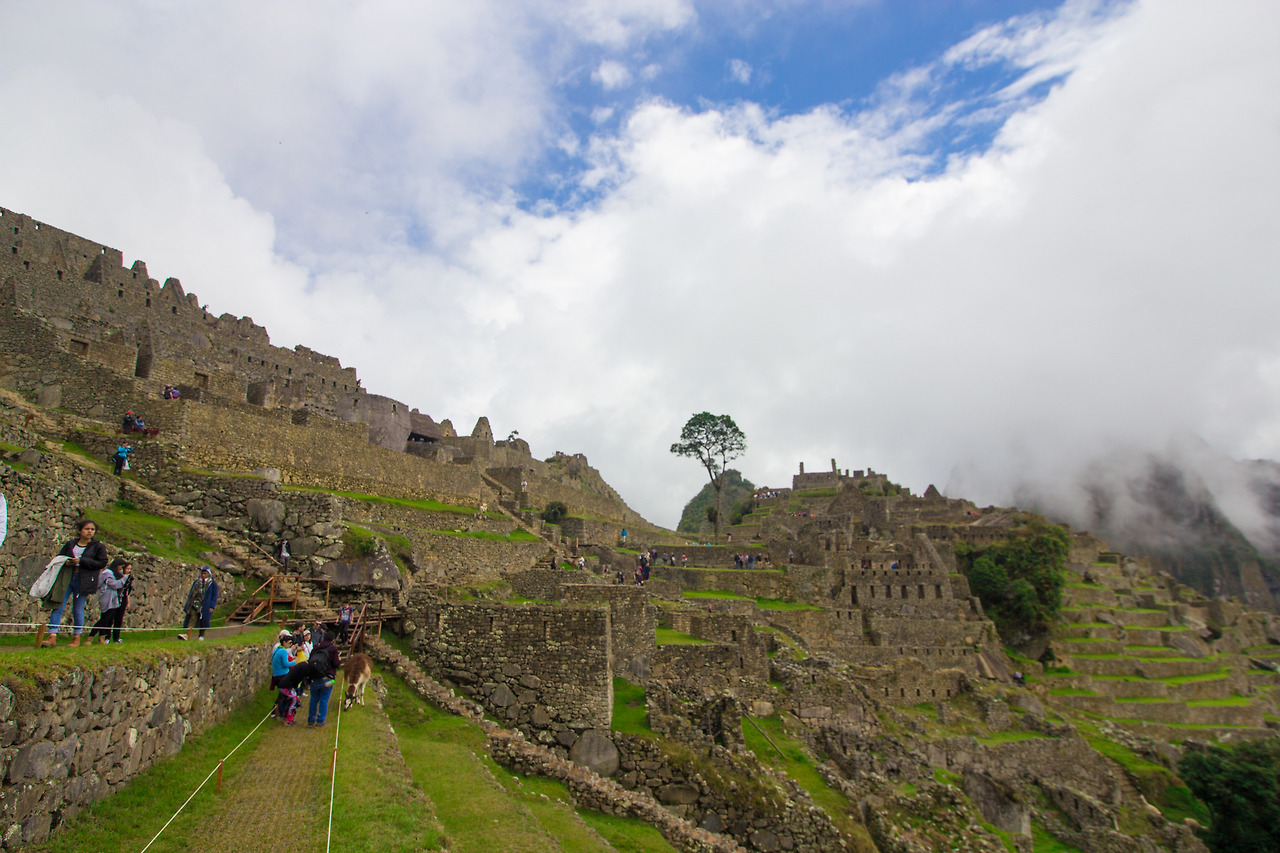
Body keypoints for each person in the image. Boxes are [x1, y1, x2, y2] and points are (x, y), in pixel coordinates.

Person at [41, 520, 109, 647]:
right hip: (67, 577)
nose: (89, 531)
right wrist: (66, 562)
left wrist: (82, 561)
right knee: (58, 605)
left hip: (83, 579)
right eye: (87, 529)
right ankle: (52, 636)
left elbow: (102, 562)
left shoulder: (97, 546)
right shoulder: (70, 544)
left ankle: (76, 637)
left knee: (78, 608)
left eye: (92, 529)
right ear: (80, 531)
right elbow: (59, 557)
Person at [89, 558, 131, 644]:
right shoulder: (107, 573)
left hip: (113, 599)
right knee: (105, 618)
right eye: (120, 567)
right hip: (107, 598)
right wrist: (124, 578)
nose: (121, 569)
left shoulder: (115, 574)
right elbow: (115, 585)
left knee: (108, 619)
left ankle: (101, 637)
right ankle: (91, 636)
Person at [307, 631, 341, 727]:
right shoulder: (333, 649)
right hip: (328, 678)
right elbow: (336, 664)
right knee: (324, 699)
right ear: (333, 640)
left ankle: (311, 720)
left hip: (314, 677)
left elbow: (310, 661)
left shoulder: (316, 647)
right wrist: (339, 660)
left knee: (313, 699)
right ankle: (320, 721)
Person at [178, 566, 218, 640]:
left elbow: (214, 596)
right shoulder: (197, 582)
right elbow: (192, 593)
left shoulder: (212, 584)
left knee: (203, 620)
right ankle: (187, 634)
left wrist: (212, 606)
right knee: (192, 618)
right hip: (195, 603)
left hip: (205, 605)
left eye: (205, 573)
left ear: (208, 574)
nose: (203, 575)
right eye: (202, 573)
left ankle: (201, 635)